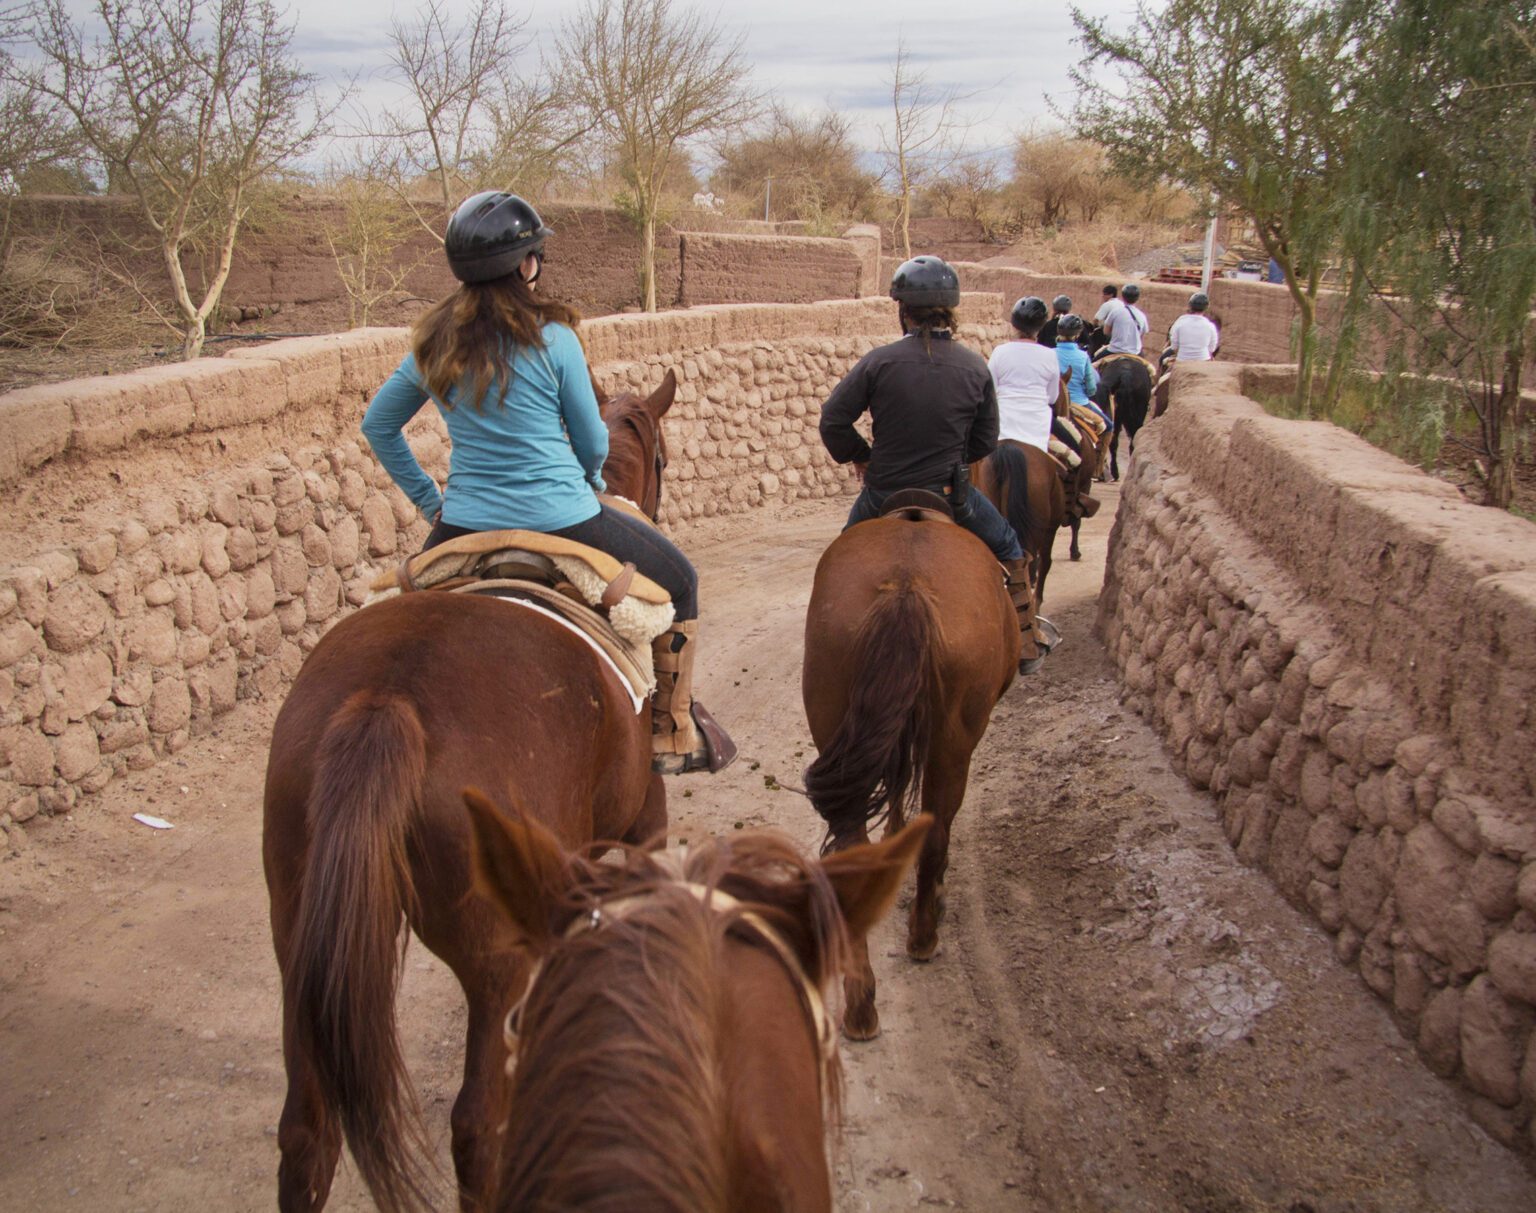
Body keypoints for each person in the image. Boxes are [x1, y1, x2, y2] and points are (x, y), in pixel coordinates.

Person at [360, 190, 734, 776]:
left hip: (464, 524)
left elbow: (378, 426)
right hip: (566, 517)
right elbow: (593, 441)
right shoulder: (554, 339)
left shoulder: (432, 342)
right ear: (526, 265)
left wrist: (433, 503)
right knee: (681, 580)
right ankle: (671, 729)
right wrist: (588, 481)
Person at [819, 256, 1035, 647]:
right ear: (948, 314)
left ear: (904, 312)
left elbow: (832, 420)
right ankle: (1027, 638)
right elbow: (986, 441)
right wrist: (952, 457)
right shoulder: (974, 367)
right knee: (1007, 544)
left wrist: (861, 455)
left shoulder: (878, 362)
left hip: (883, 492)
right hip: (952, 495)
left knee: (838, 561)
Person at [989, 295, 1066, 455]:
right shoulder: (1050, 355)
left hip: (1003, 422)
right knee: (1075, 457)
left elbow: (990, 391)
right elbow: (1052, 397)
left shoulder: (1000, 352)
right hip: (1037, 425)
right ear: (1041, 326)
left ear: (1014, 324)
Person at [1163, 291, 1221, 363]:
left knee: (1164, 362)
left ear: (1190, 305)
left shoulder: (1180, 322)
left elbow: (1174, 346)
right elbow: (1212, 349)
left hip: (1182, 360)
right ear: (1206, 308)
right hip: (1203, 361)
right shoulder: (1210, 326)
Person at [1098, 281, 1149, 360]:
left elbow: (1106, 331)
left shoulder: (1115, 312)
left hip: (1114, 350)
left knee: (1093, 364)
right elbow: (1141, 336)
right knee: (1150, 370)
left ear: (1123, 296)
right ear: (1137, 298)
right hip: (1135, 352)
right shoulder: (1142, 315)